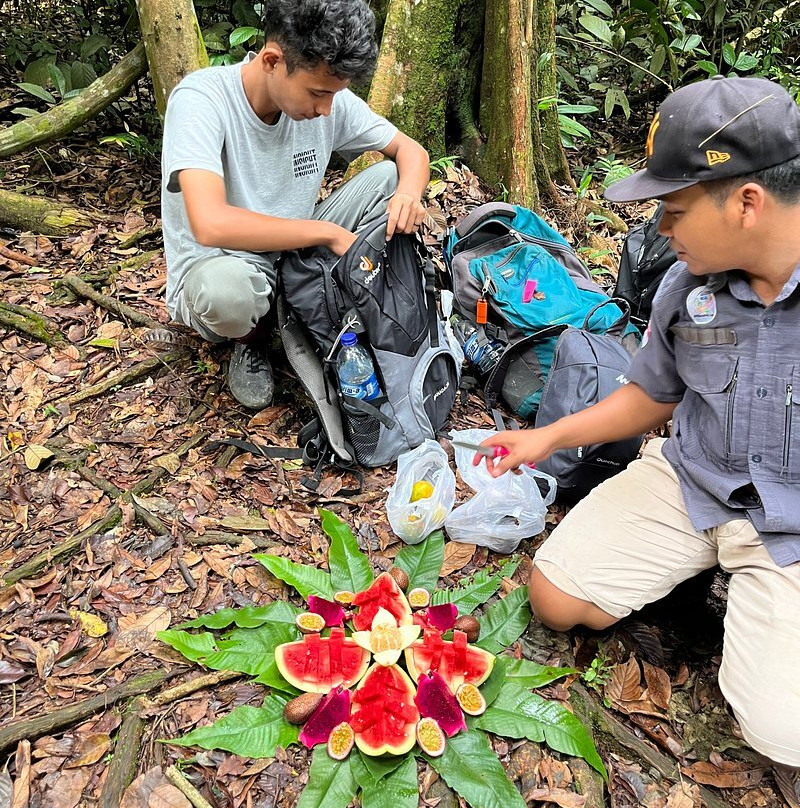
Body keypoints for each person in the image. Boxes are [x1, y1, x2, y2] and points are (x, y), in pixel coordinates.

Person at [477, 75, 800, 772]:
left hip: (792, 525)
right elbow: (654, 393)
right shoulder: (689, 288)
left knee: (782, 731)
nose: (660, 230)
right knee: (556, 596)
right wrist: (548, 436)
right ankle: (690, 576)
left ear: (747, 201)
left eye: (674, 210)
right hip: (696, 481)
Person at [161, 0, 430, 409]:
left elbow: (411, 152)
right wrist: (328, 232)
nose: (325, 110)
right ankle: (252, 336)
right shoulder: (202, 100)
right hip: (228, 261)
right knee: (226, 294)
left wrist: (409, 195)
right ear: (272, 60)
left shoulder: (327, 100)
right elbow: (209, 223)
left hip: (294, 253)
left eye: (334, 96)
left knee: (391, 178)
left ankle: (312, 301)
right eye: (318, 93)